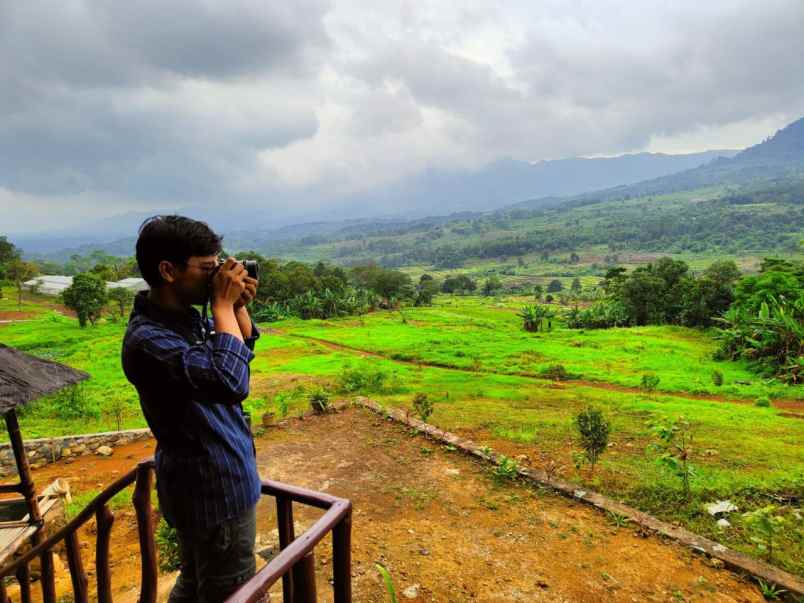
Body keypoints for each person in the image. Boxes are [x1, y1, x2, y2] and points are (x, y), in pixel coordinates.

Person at [122, 215, 261, 602]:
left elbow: (241, 351)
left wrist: (236, 308)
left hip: (209, 485)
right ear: (168, 271)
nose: (217, 275)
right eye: (206, 268)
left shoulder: (184, 320)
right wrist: (221, 303)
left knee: (195, 581)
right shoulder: (149, 340)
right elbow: (231, 381)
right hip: (213, 491)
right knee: (229, 589)